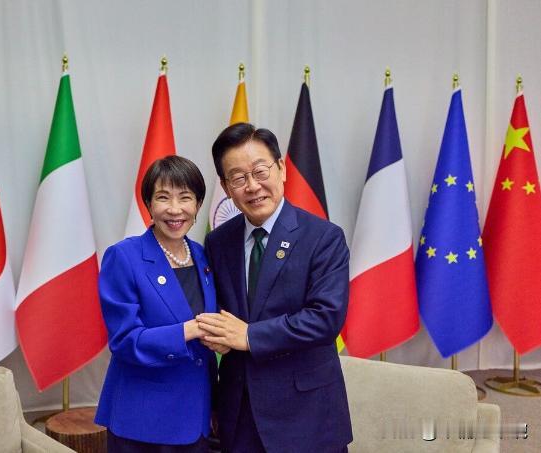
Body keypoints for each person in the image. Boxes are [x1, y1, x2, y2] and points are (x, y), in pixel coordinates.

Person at [197, 123, 353, 453]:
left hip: (307, 416)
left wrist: (249, 336)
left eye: (260, 171)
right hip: (239, 416)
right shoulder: (218, 242)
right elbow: (216, 312)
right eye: (238, 178)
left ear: (281, 168)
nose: (252, 186)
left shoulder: (323, 237)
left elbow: (325, 318)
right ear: (226, 187)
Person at [95, 155, 219, 453]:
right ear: (149, 204)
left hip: (197, 417)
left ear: (198, 205)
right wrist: (188, 330)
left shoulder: (204, 256)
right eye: (163, 197)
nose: (175, 209)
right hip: (144, 421)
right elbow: (124, 340)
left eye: (185, 198)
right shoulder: (124, 257)